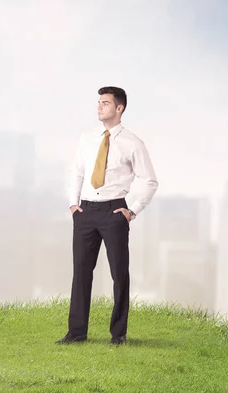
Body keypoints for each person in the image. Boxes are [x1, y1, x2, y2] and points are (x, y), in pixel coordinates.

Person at [56, 86, 158, 346]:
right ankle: (76, 333)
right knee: (81, 272)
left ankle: (118, 334)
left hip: (114, 212)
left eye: (105, 103)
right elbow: (76, 172)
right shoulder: (87, 138)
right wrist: (73, 205)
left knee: (119, 273)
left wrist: (131, 210)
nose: (99, 107)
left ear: (119, 108)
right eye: (98, 102)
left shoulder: (133, 143)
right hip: (86, 212)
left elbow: (149, 181)